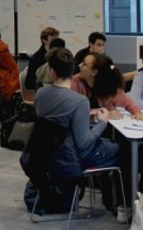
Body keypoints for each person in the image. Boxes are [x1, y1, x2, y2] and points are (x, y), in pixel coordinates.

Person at [34, 48, 118, 189]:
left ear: (52, 72)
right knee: (125, 151)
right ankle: (120, 198)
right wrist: (102, 122)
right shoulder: (79, 101)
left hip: (47, 154)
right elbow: (83, 143)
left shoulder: (40, 95)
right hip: (72, 158)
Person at [74, 52, 143, 119]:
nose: (79, 65)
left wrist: (137, 113)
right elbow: (77, 112)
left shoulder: (111, 85)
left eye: (84, 64)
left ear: (94, 72)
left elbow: (128, 102)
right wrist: (102, 113)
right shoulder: (75, 82)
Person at [25, 27, 60, 91]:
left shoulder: (59, 56)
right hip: (43, 90)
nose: (56, 42)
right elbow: (29, 83)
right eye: (53, 39)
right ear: (44, 40)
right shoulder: (36, 58)